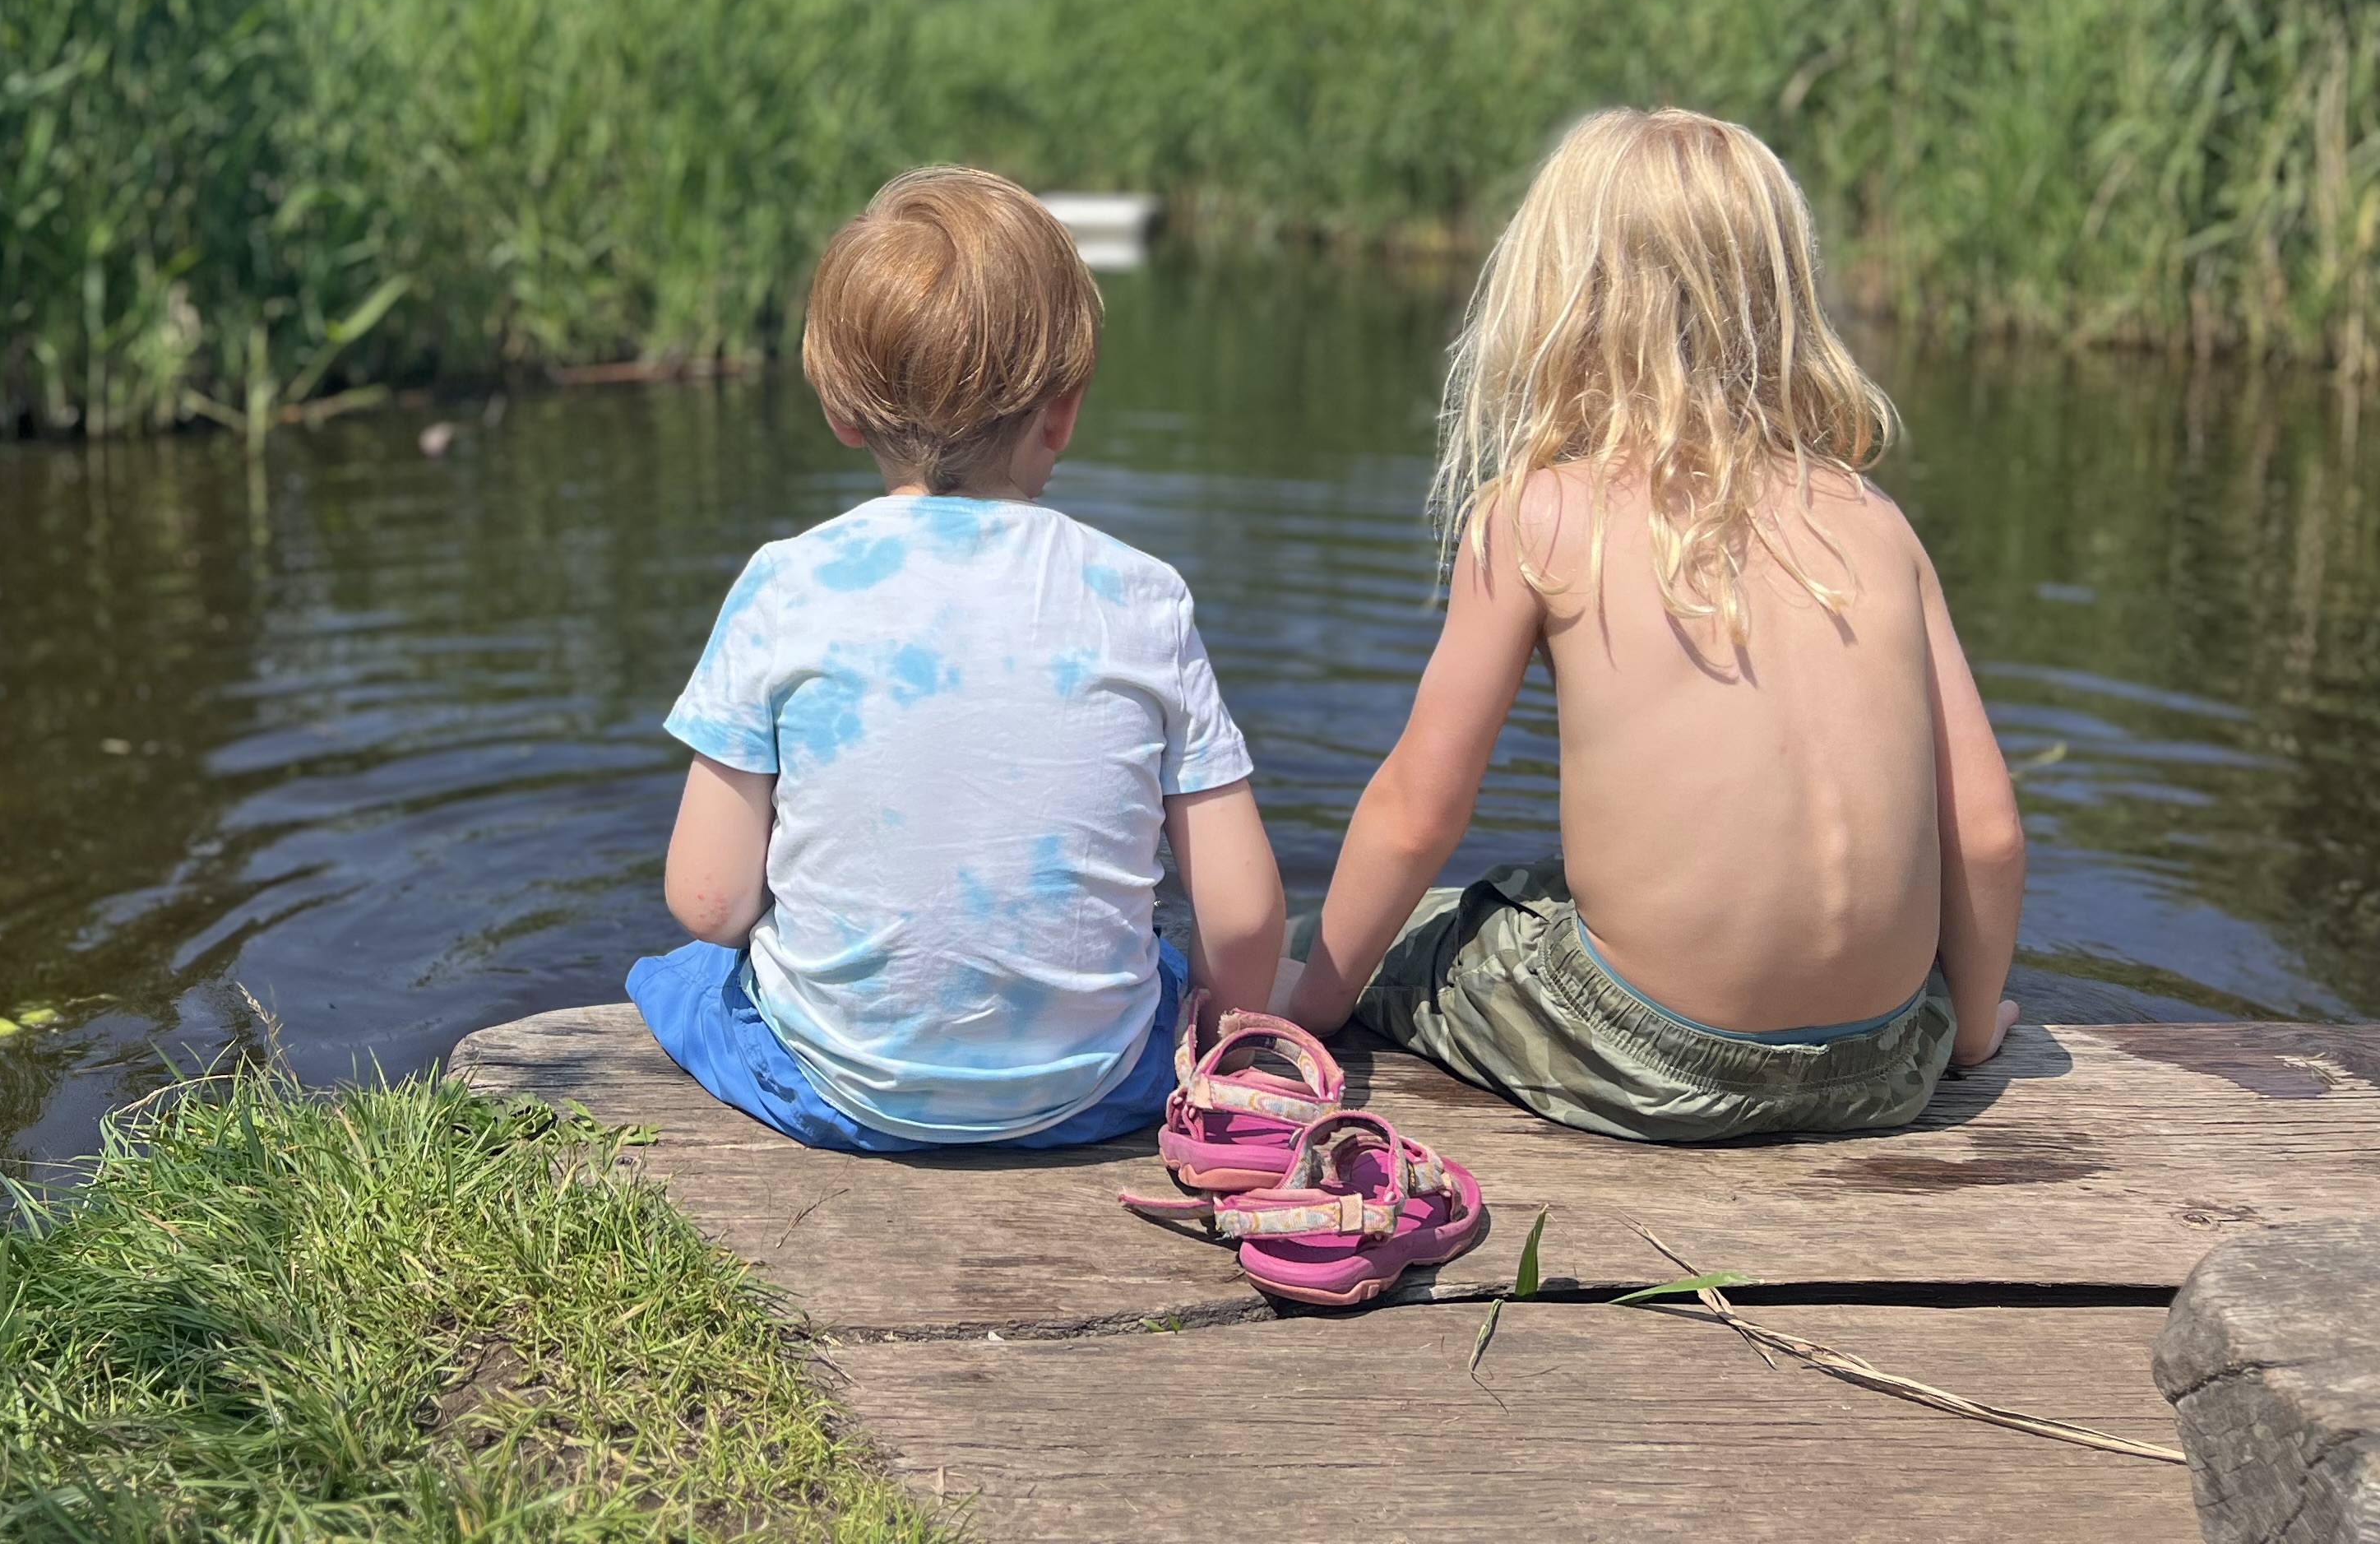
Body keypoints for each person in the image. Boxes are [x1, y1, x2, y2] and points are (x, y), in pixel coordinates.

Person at [1281, 107, 2027, 1141]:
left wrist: (1305, 1012)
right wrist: (1972, 1032)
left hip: (1647, 1053)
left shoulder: (1541, 515)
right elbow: (1986, 835)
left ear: (1564, 297)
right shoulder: (1874, 520)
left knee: (1402, 926)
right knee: (1546, 886)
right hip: (1889, 1059)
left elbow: (1416, 811)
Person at [627, 165, 1285, 1150]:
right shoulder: (1141, 597)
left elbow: (709, 899)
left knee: (678, 974)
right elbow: (1241, 918)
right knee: (1165, 969)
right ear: (1061, 411)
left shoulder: (787, 585)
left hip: (837, 1088)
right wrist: (1219, 1022)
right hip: (1097, 1086)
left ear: (842, 413)